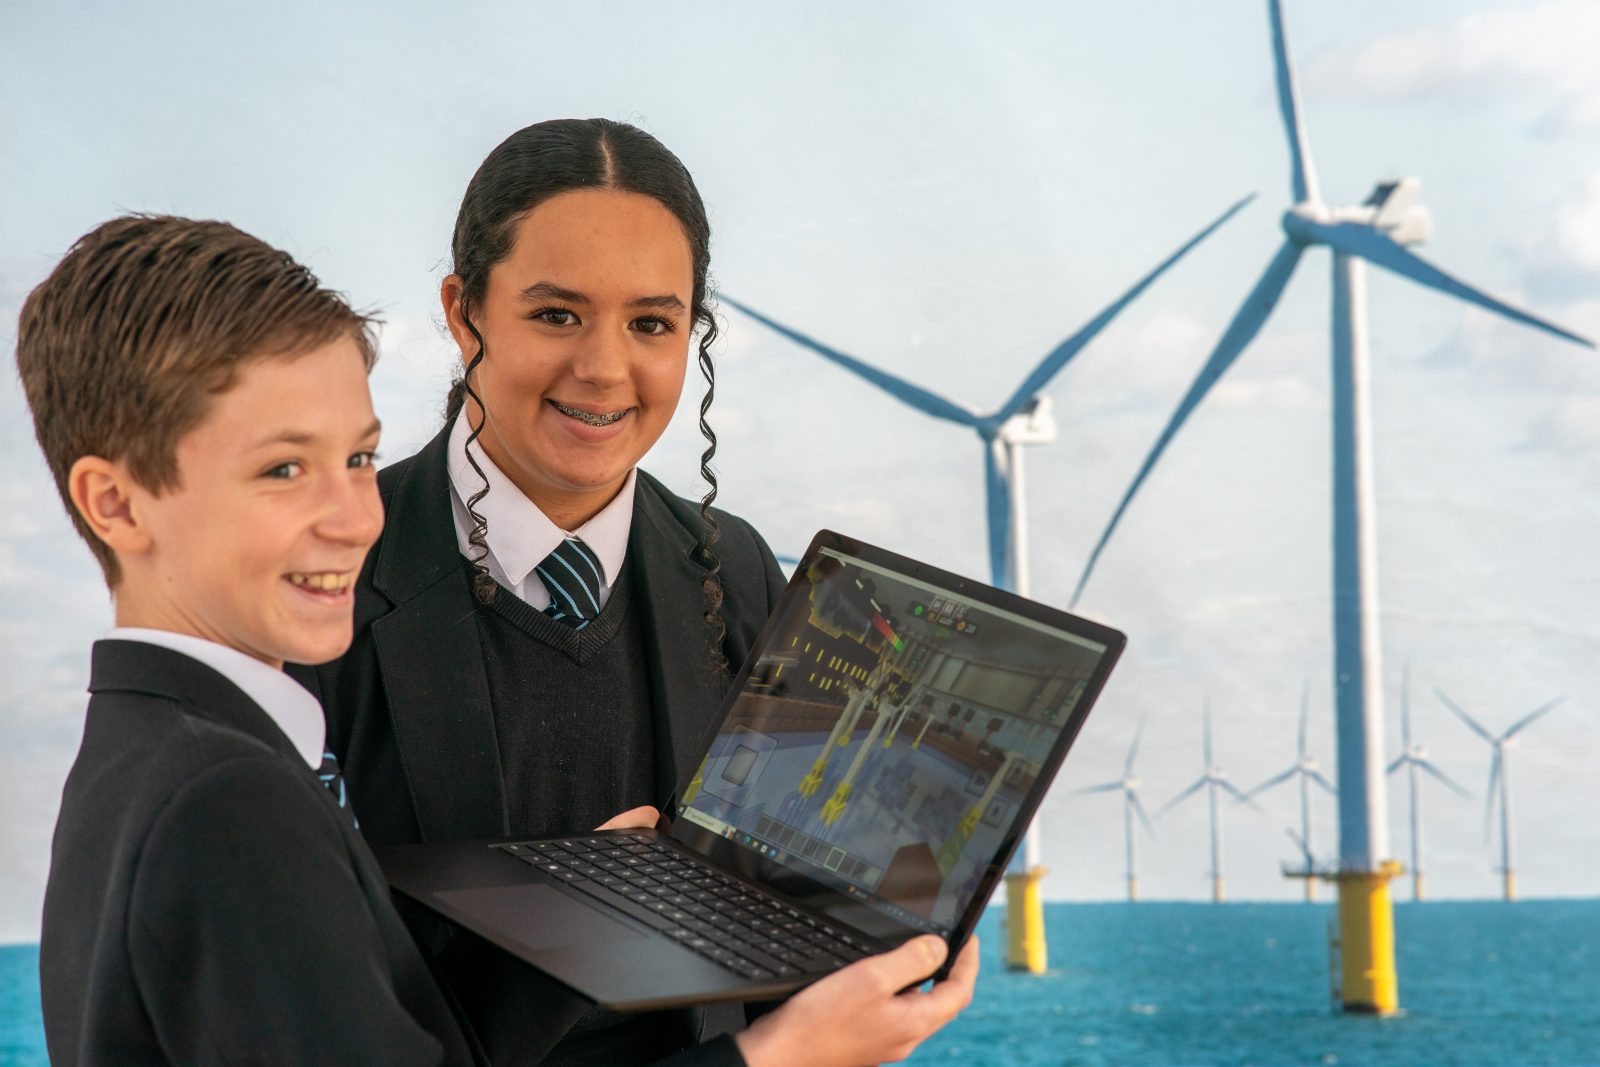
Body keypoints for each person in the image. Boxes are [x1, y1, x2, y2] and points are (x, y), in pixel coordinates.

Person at [294, 118, 980, 1066]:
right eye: (556, 314)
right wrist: (575, 931)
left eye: (652, 323)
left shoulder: (735, 567)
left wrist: (871, 942)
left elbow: (769, 907)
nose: (604, 368)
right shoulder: (328, 573)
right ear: (464, 313)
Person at [22, 215, 477, 1064]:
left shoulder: (135, 758)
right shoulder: (228, 800)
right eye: (283, 468)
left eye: (360, 459)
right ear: (116, 504)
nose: (356, 520)